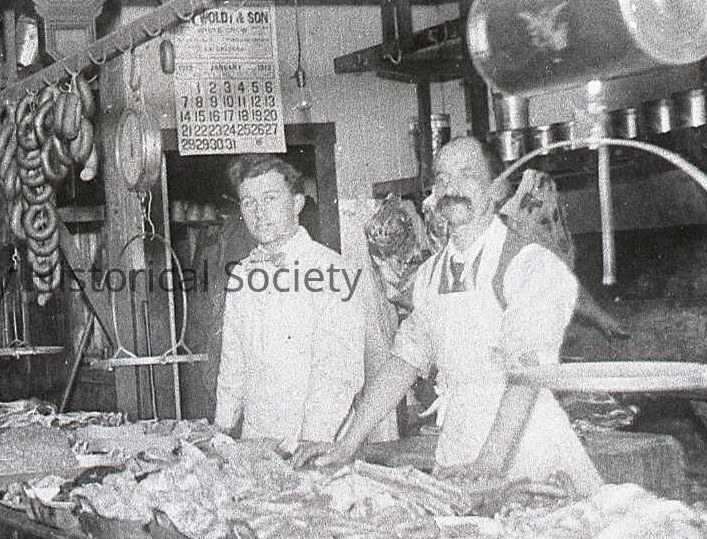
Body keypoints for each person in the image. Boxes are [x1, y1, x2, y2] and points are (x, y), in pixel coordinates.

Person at [306, 138, 600, 494]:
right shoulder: (430, 274)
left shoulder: (531, 265)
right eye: (442, 178)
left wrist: (490, 463)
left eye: (467, 174)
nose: (451, 187)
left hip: (526, 451)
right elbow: (405, 361)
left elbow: (528, 374)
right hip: (458, 447)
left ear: (497, 189)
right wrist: (346, 444)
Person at [212, 156, 386, 453]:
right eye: (249, 202)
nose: (259, 213)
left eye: (270, 198)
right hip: (256, 442)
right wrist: (222, 428)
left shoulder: (333, 271)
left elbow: (337, 373)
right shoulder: (242, 273)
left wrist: (308, 444)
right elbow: (233, 362)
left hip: (317, 444)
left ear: (297, 204)